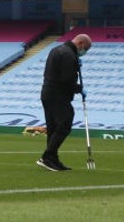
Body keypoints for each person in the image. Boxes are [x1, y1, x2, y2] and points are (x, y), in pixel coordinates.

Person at [37, 33, 92, 171]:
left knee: (53, 127)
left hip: (47, 93)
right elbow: (66, 80)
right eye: (85, 49)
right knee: (65, 123)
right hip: (58, 95)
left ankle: (52, 159)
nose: (84, 52)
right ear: (80, 44)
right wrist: (80, 89)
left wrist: (75, 65)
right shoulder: (68, 55)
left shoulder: (57, 50)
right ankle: (48, 156)